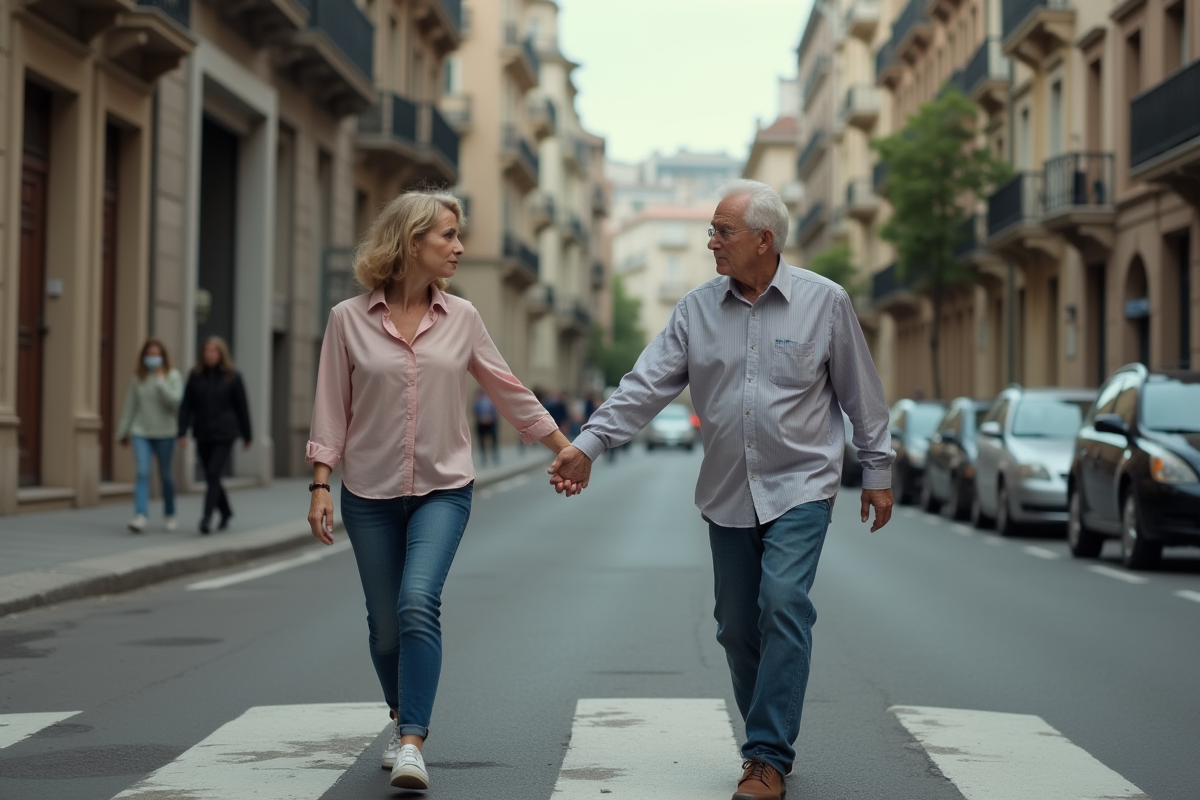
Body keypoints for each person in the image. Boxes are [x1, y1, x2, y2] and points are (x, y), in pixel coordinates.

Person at [548, 179, 895, 800]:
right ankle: (768, 734)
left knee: (782, 603)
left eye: (722, 231)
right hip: (729, 490)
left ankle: (766, 755)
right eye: (711, 230)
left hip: (802, 484)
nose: (711, 242)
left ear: (765, 239)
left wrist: (877, 472)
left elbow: (860, 393)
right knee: (736, 626)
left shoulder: (826, 302)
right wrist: (589, 444)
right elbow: (646, 384)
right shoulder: (696, 310)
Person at [305, 191, 574, 792]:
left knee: (417, 601)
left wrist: (566, 448)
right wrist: (321, 483)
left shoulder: (464, 318)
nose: (459, 247)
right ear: (411, 241)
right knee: (384, 627)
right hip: (368, 493)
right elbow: (330, 406)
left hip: (443, 488)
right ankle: (401, 713)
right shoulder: (347, 319)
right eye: (448, 235)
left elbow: (508, 389)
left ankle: (411, 742)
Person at [177, 336, 252, 534]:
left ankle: (206, 518)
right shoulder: (196, 375)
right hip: (202, 432)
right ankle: (226, 512)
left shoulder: (232, 376)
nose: (209, 355)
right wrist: (182, 431)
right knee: (213, 476)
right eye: (206, 351)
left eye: (213, 351)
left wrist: (247, 435)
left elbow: (242, 407)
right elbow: (186, 405)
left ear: (221, 353)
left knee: (212, 473)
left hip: (224, 434)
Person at [117, 338, 184, 533]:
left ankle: (170, 514)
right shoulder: (138, 377)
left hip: (165, 432)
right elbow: (130, 406)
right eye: (149, 354)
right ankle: (140, 515)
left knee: (166, 476)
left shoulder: (173, 375)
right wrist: (123, 431)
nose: (152, 358)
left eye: (156, 354)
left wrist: (161, 383)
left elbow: (175, 402)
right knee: (142, 473)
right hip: (141, 431)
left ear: (163, 356)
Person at [472, 388, 499, 464]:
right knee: (481, 440)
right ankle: (484, 457)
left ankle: (494, 455)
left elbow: (494, 412)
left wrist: (489, 418)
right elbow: (475, 412)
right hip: (481, 422)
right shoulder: (477, 402)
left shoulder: (489, 401)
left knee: (493, 439)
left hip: (490, 422)